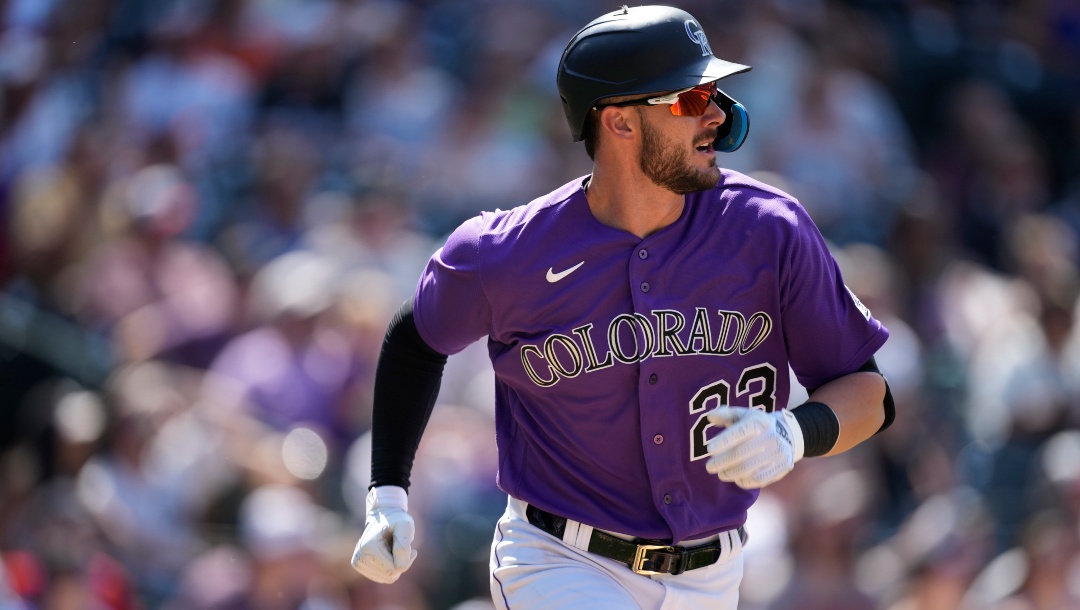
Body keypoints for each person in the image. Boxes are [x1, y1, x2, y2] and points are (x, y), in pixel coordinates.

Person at [350, 5, 895, 609]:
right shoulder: (507, 252)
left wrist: (795, 432)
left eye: (714, 92)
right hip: (560, 560)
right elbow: (415, 338)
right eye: (692, 97)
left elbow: (868, 393)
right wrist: (388, 496)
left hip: (714, 575)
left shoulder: (769, 229)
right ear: (620, 123)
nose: (716, 114)